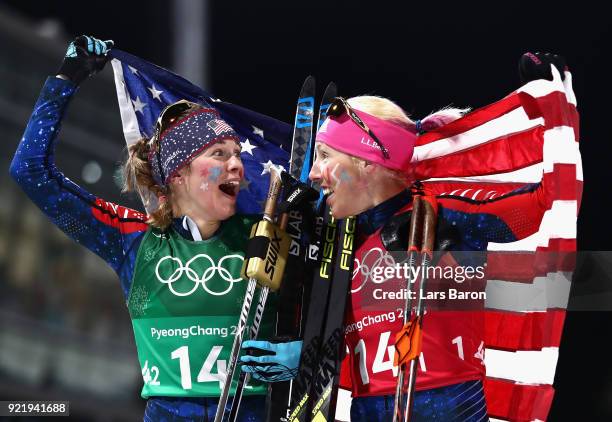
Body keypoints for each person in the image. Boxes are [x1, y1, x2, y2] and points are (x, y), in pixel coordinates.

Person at [9, 35, 300, 421]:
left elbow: (337, 311)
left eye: (236, 155)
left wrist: (303, 355)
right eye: (219, 154)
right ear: (179, 174)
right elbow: (29, 171)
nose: (237, 166)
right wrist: (66, 78)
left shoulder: (269, 235)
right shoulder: (132, 238)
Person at [306, 53, 568, 421]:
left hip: (454, 407)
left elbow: (544, 205)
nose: (314, 173)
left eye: (324, 156)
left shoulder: (440, 214)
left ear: (366, 161)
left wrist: (554, 112)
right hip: (367, 409)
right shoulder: (333, 237)